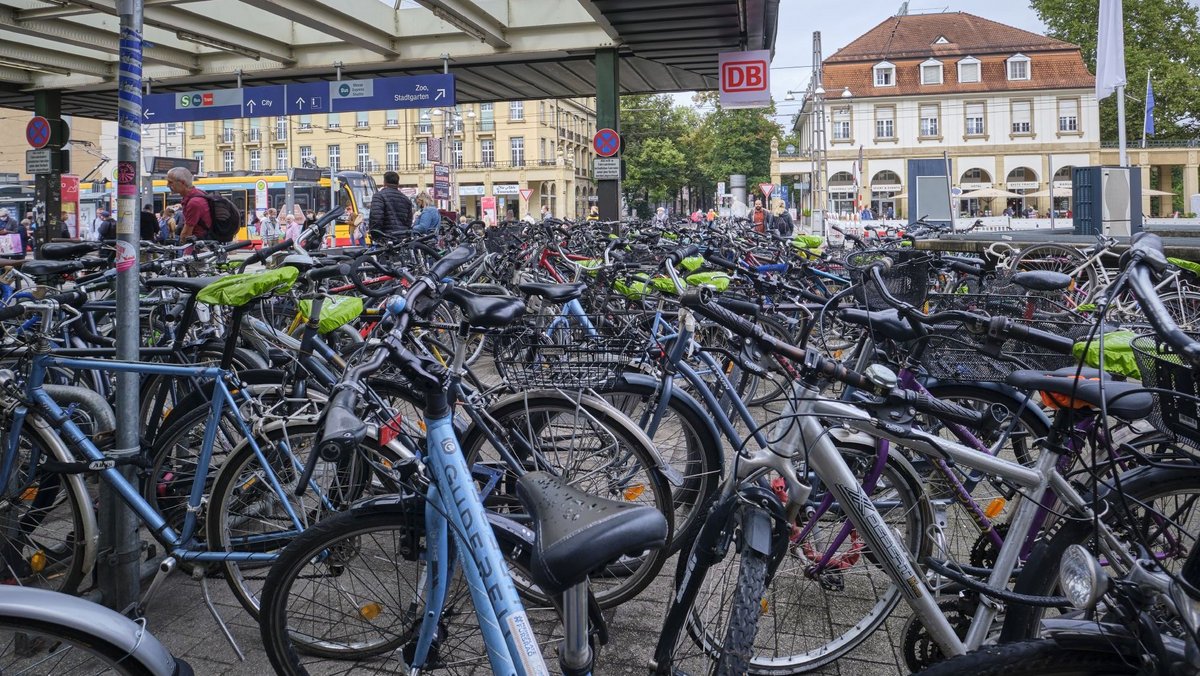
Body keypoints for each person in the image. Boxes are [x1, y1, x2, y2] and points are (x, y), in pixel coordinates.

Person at [165, 167, 211, 240]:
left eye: (170, 182)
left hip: (199, 244)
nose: (167, 185)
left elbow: (186, 234)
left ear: (182, 182)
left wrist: (181, 244)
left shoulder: (194, 202)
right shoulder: (199, 193)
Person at [367, 171, 414, 240]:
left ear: (384, 182)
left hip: (386, 239)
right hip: (402, 240)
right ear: (398, 183)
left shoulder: (379, 196)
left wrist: (375, 236)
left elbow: (376, 218)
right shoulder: (406, 199)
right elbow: (409, 222)